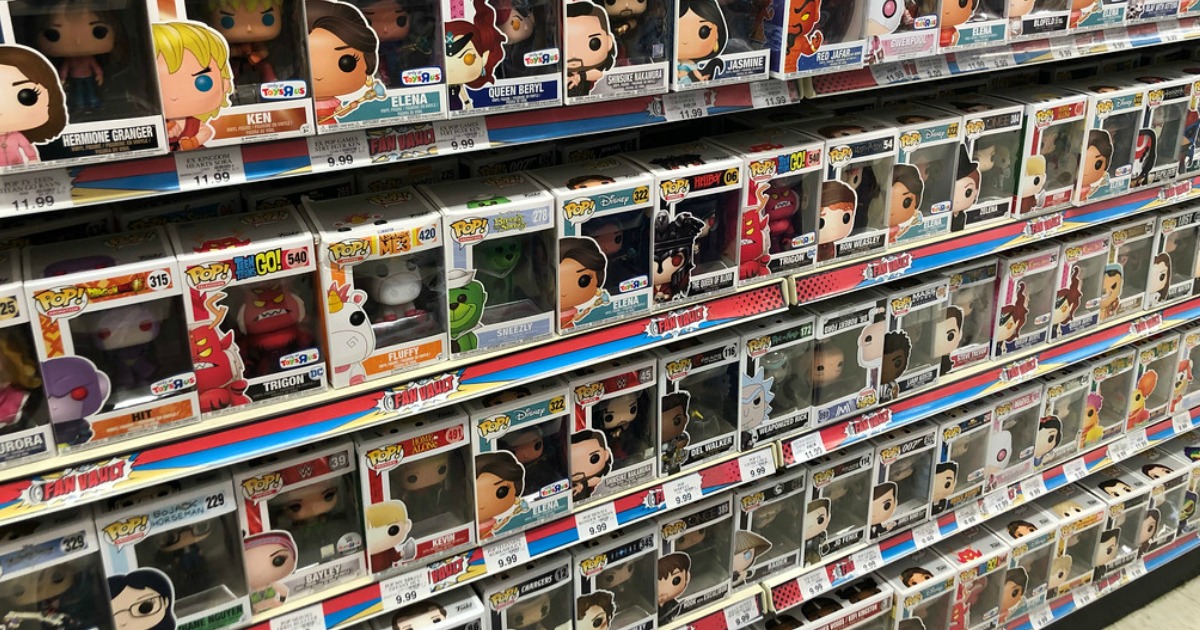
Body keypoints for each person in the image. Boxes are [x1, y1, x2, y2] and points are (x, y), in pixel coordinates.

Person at [152, 22, 233, 151]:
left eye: (202, 82)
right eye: (160, 84)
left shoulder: (194, 123)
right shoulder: (154, 124)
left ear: (225, 82)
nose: (174, 95)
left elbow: (206, 132)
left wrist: (194, 142)